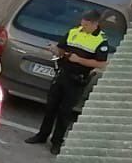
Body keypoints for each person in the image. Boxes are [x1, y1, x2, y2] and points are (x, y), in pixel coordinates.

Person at [28, 10, 115, 154]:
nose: (83, 26)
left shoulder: (101, 40)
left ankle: (57, 142)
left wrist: (79, 60)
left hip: (77, 79)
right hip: (62, 74)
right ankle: (42, 135)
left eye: (86, 24)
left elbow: (101, 63)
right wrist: (55, 50)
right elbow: (62, 49)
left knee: (65, 112)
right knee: (51, 107)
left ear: (95, 24)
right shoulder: (74, 31)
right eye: (82, 22)